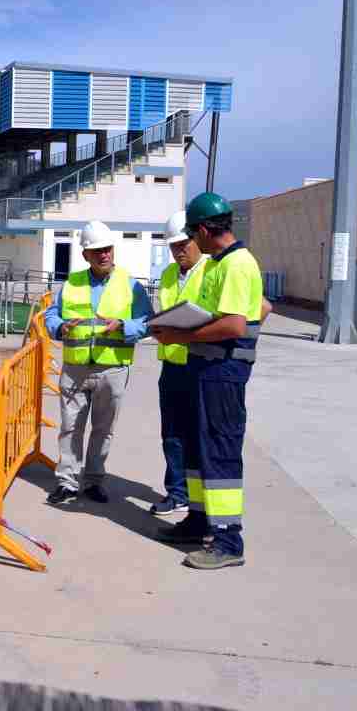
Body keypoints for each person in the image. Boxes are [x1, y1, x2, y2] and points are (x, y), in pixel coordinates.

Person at [151, 192, 265, 569]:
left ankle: (228, 541)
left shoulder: (237, 264)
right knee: (199, 451)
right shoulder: (219, 264)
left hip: (224, 373)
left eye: (191, 235)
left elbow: (234, 323)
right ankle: (199, 521)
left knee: (219, 452)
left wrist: (181, 336)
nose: (190, 243)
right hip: (206, 371)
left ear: (202, 229)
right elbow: (253, 308)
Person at [43, 220, 153, 506]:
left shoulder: (131, 286)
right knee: (70, 427)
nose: (103, 254)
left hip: (112, 369)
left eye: (107, 249)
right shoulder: (71, 284)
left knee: (103, 429)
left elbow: (147, 322)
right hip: (75, 368)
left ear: (112, 250)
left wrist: (123, 327)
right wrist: (60, 327)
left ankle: (93, 480)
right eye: (96, 251)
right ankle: (67, 483)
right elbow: (51, 315)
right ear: (85, 256)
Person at [149, 211, 209, 516]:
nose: (178, 251)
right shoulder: (169, 275)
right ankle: (177, 492)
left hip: (200, 365)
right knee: (171, 433)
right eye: (173, 246)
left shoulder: (212, 270)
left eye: (183, 244)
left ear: (197, 240)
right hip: (172, 365)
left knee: (197, 434)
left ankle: (200, 498)